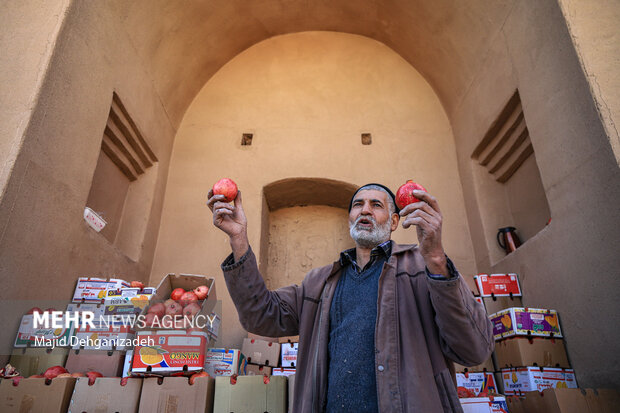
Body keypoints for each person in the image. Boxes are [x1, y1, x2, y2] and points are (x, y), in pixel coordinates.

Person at [207, 183, 494, 413]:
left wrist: (435, 258)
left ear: (394, 221)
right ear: (350, 218)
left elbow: (474, 350)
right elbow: (261, 315)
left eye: (376, 205)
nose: (365, 210)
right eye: (358, 204)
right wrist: (239, 240)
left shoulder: (423, 268)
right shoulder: (320, 283)